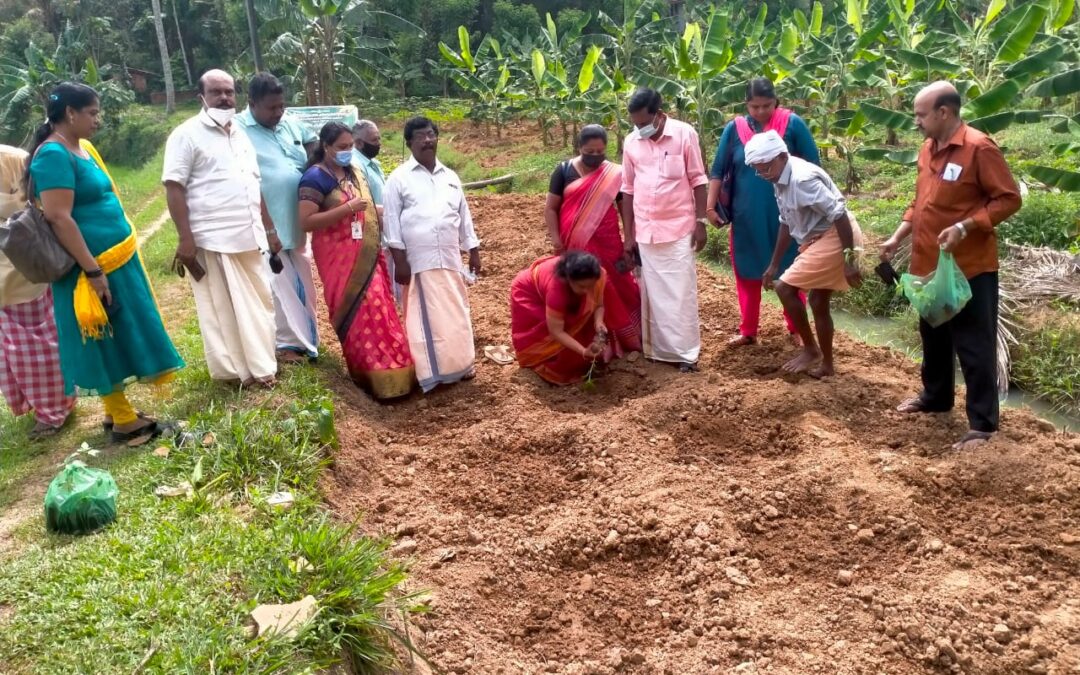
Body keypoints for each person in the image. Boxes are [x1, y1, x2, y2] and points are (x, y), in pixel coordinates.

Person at [28, 83, 184, 444]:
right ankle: (125, 420)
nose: (98, 120)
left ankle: (118, 413)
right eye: (92, 113)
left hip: (114, 262)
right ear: (70, 113)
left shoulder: (80, 148)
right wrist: (93, 270)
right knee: (102, 338)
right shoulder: (52, 155)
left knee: (120, 330)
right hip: (89, 269)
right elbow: (59, 217)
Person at [880, 81, 1021, 451]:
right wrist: (898, 237)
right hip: (929, 264)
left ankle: (983, 425)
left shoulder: (978, 147)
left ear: (944, 112)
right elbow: (920, 202)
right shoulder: (928, 149)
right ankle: (936, 396)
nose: (916, 122)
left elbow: (1008, 199)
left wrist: (965, 225)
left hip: (969, 266)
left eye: (921, 115)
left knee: (974, 344)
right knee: (934, 336)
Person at [163, 69, 279, 388]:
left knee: (259, 302)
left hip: (249, 234)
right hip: (213, 237)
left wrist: (270, 230)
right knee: (227, 312)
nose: (224, 97)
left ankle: (262, 363)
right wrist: (185, 238)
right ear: (202, 96)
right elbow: (174, 187)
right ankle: (243, 374)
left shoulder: (240, 134)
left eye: (229, 91)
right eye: (216, 92)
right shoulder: (185, 135)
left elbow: (254, 185)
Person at [298, 123, 414, 399]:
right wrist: (346, 209)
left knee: (381, 306)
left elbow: (369, 209)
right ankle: (369, 377)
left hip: (368, 253)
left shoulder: (354, 173)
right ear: (326, 147)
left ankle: (398, 371)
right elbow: (305, 221)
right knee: (359, 312)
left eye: (350, 146)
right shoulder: (315, 178)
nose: (348, 151)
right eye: (341, 147)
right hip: (338, 259)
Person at [708, 78, 818, 347]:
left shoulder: (792, 125)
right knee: (746, 271)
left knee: (792, 270)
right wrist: (710, 206)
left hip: (788, 213)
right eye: (754, 106)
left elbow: (814, 164)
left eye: (766, 105)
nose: (760, 111)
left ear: (776, 101)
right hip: (746, 214)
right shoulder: (734, 130)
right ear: (746, 104)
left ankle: (796, 328)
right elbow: (718, 170)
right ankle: (748, 330)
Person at [746, 130, 863, 379]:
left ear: (781, 156)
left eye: (765, 168)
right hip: (820, 236)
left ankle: (811, 350)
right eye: (758, 170)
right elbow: (786, 222)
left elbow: (839, 214)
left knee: (784, 288)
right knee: (819, 302)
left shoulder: (802, 179)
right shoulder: (779, 178)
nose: (763, 175)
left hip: (836, 235)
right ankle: (827, 367)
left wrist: (849, 259)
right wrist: (773, 264)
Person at [383, 116, 481, 393]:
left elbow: (464, 217)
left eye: (430, 135)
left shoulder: (450, 177)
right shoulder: (399, 179)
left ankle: (462, 364)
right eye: (420, 137)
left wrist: (473, 250)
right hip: (417, 263)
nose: (427, 140)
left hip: (450, 258)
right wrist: (400, 262)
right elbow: (391, 222)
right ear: (409, 143)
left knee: (456, 311)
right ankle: (432, 374)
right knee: (424, 318)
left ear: (437, 138)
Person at [620, 88, 708, 373]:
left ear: (659, 115)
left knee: (680, 292)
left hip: (679, 227)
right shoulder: (631, 142)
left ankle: (686, 354)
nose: (640, 128)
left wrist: (700, 221)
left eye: (644, 122)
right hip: (646, 230)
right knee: (652, 292)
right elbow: (628, 190)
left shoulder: (684, 134)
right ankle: (658, 351)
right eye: (635, 124)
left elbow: (698, 180)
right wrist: (629, 235)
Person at [237, 72, 319, 364]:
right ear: (252, 103)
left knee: (301, 282)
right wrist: (267, 225)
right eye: (271, 108)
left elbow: (312, 142)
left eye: (281, 106)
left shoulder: (290, 122)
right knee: (277, 286)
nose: (278, 113)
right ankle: (286, 345)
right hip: (266, 222)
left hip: (296, 221)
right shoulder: (237, 129)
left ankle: (306, 341)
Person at [544, 124, 641, 355]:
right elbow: (551, 208)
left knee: (618, 284)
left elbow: (624, 208)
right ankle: (591, 345)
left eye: (600, 152)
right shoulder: (563, 171)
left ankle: (626, 339)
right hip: (575, 243)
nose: (596, 157)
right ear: (580, 147)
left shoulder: (613, 173)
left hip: (609, 242)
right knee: (583, 287)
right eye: (590, 151)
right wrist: (556, 240)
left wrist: (630, 238)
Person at [0, 144, 76, 439]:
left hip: (22, 266)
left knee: (35, 345)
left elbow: (44, 206)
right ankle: (40, 405)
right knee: (10, 348)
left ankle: (54, 410)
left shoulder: (15, 160)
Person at [511, 251, 639, 385]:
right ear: (569, 280)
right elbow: (556, 331)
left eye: (591, 286)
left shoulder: (599, 276)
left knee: (582, 330)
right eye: (582, 287)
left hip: (558, 295)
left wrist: (599, 322)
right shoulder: (557, 291)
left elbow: (599, 305)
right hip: (530, 294)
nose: (588, 291)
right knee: (554, 346)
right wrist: (583, 351)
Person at [351, 119, 400, 303]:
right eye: (374, 140)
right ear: (359, 143)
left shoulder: (375, 164)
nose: (378, 143)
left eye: (379, 138)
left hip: (384, 227)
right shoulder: (356, 165)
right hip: (372, 231)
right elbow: (363, 201)